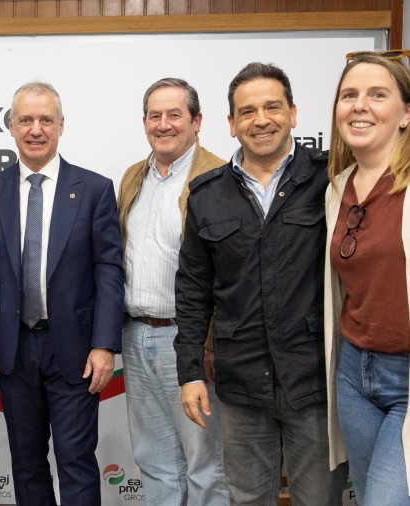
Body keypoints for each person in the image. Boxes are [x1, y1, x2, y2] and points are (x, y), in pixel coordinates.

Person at [175, 62, 349, 505]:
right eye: (247, 111)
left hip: (314, 383)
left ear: (293, 113)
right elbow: (193, 290)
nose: (261, 119)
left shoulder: (331, 180)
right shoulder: (206, 194)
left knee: (318, 500)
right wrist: (191, 371)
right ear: (231, 124)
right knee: (247, 499)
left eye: (273, 107)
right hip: (242, 385)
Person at [0, 82, 124, 506]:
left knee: (76, 459)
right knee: (26, 461)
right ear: (10, 127)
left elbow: (109, 270)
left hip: (77, 350)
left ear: (61, 126)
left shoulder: (94, 189)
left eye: (45, 120)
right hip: (12, 349)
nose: (35, 129)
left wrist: (104, 343)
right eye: (26, 120)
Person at [117, 77, 228, 506]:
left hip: (193, 342)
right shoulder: (133, 177)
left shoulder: (219, 176)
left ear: (197, 121)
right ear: (144, 121)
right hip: (137, 335)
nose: (163, 124)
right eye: (154, 115)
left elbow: (227, 269)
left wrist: (211, 341)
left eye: (175, 114)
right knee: (154, 460)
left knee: (206, 464)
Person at [325, 52, 410, 504]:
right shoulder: (336, 188)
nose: (360, 105)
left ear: (406, 113)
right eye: (349, 95)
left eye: (378, 95)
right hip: (354, 375)